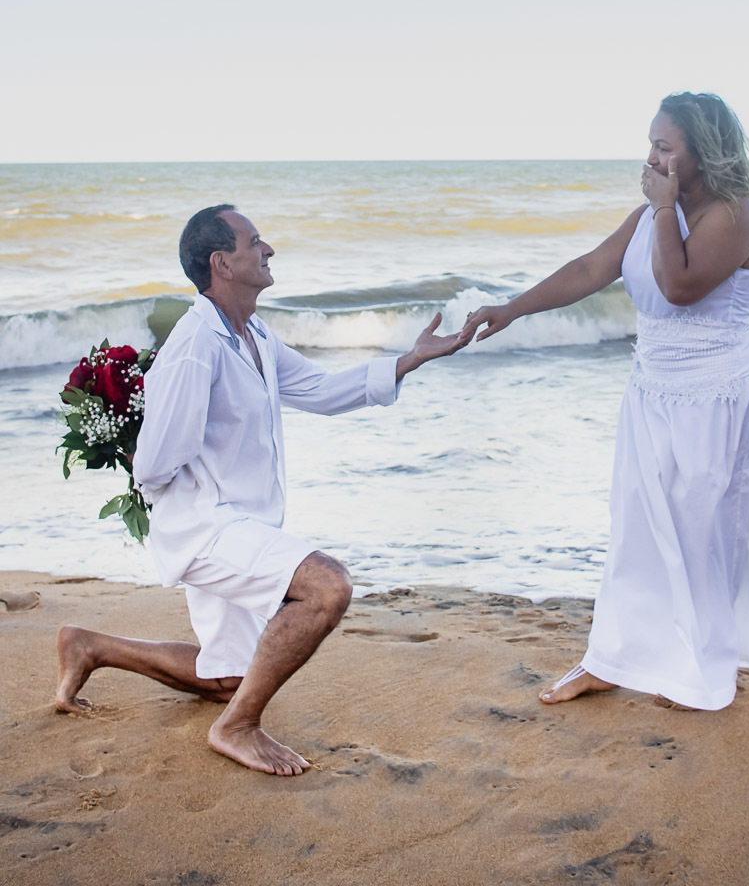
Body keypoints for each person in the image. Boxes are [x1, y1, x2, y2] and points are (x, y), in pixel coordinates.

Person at [56, 204, 470, 774]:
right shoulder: (195, 343)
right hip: (208, 527)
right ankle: (238, 728)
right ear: (222, 262)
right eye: (256, 242)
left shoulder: (253, 333)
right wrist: (188, 497)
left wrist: (410, 360)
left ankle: (92, 646)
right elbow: (152, 463)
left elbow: (321, 390)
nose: (268, 250)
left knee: (229, 677)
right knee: (327, 587)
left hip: (244, 523)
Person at [462, 93, 749, 712]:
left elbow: (681, 286)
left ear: (703, 152)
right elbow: (590, 269)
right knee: (634, 528)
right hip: (653, 392)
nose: (651, 158)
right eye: (651, 144)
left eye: (665, 147)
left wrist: (664, 210)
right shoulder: (650, 216)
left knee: (704, 533)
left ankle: (703, 669)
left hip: (719, 396)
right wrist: (511, 308)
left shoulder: (735, 215)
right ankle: (610, 658)